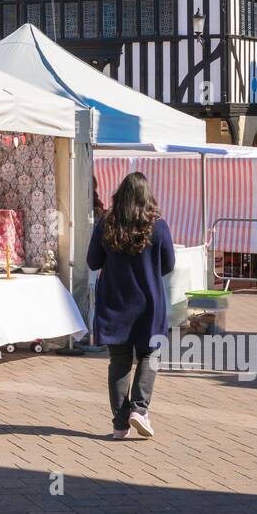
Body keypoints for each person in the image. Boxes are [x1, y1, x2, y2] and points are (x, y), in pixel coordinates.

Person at [86, 171, 175, 440]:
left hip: (114, 302)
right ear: (147, 196)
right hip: (148, 302)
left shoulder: (106, 224)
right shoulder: (157, 225)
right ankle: (139, 408)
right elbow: (169, 264)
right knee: (151, 354)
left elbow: (93, 262)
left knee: (120, 360)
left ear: (120, 195)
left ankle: (120, 424)